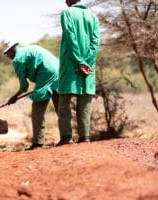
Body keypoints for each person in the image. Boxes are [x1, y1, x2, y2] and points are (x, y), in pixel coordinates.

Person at [56, 0, 100, 146]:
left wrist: (79, 61)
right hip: (89, 66)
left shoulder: (67, 13)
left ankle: (66, 137)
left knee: (64, 102)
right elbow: (95, 42)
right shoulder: (92, 16)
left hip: (70, 63)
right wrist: (87, 61)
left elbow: (70, 37)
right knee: (85, 101)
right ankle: (84, 137)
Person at [2, 41, 59, 150]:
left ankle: (38, 142)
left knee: (37, 109)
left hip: (46, 73)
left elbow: (24, 86)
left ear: (13, 49)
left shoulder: (18, 59)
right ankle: (67, 138)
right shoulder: (28, 49)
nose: (7, 56)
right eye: (5, 54)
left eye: (7, 52)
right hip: (59, 69)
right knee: (61, 107)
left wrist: (14, 97)